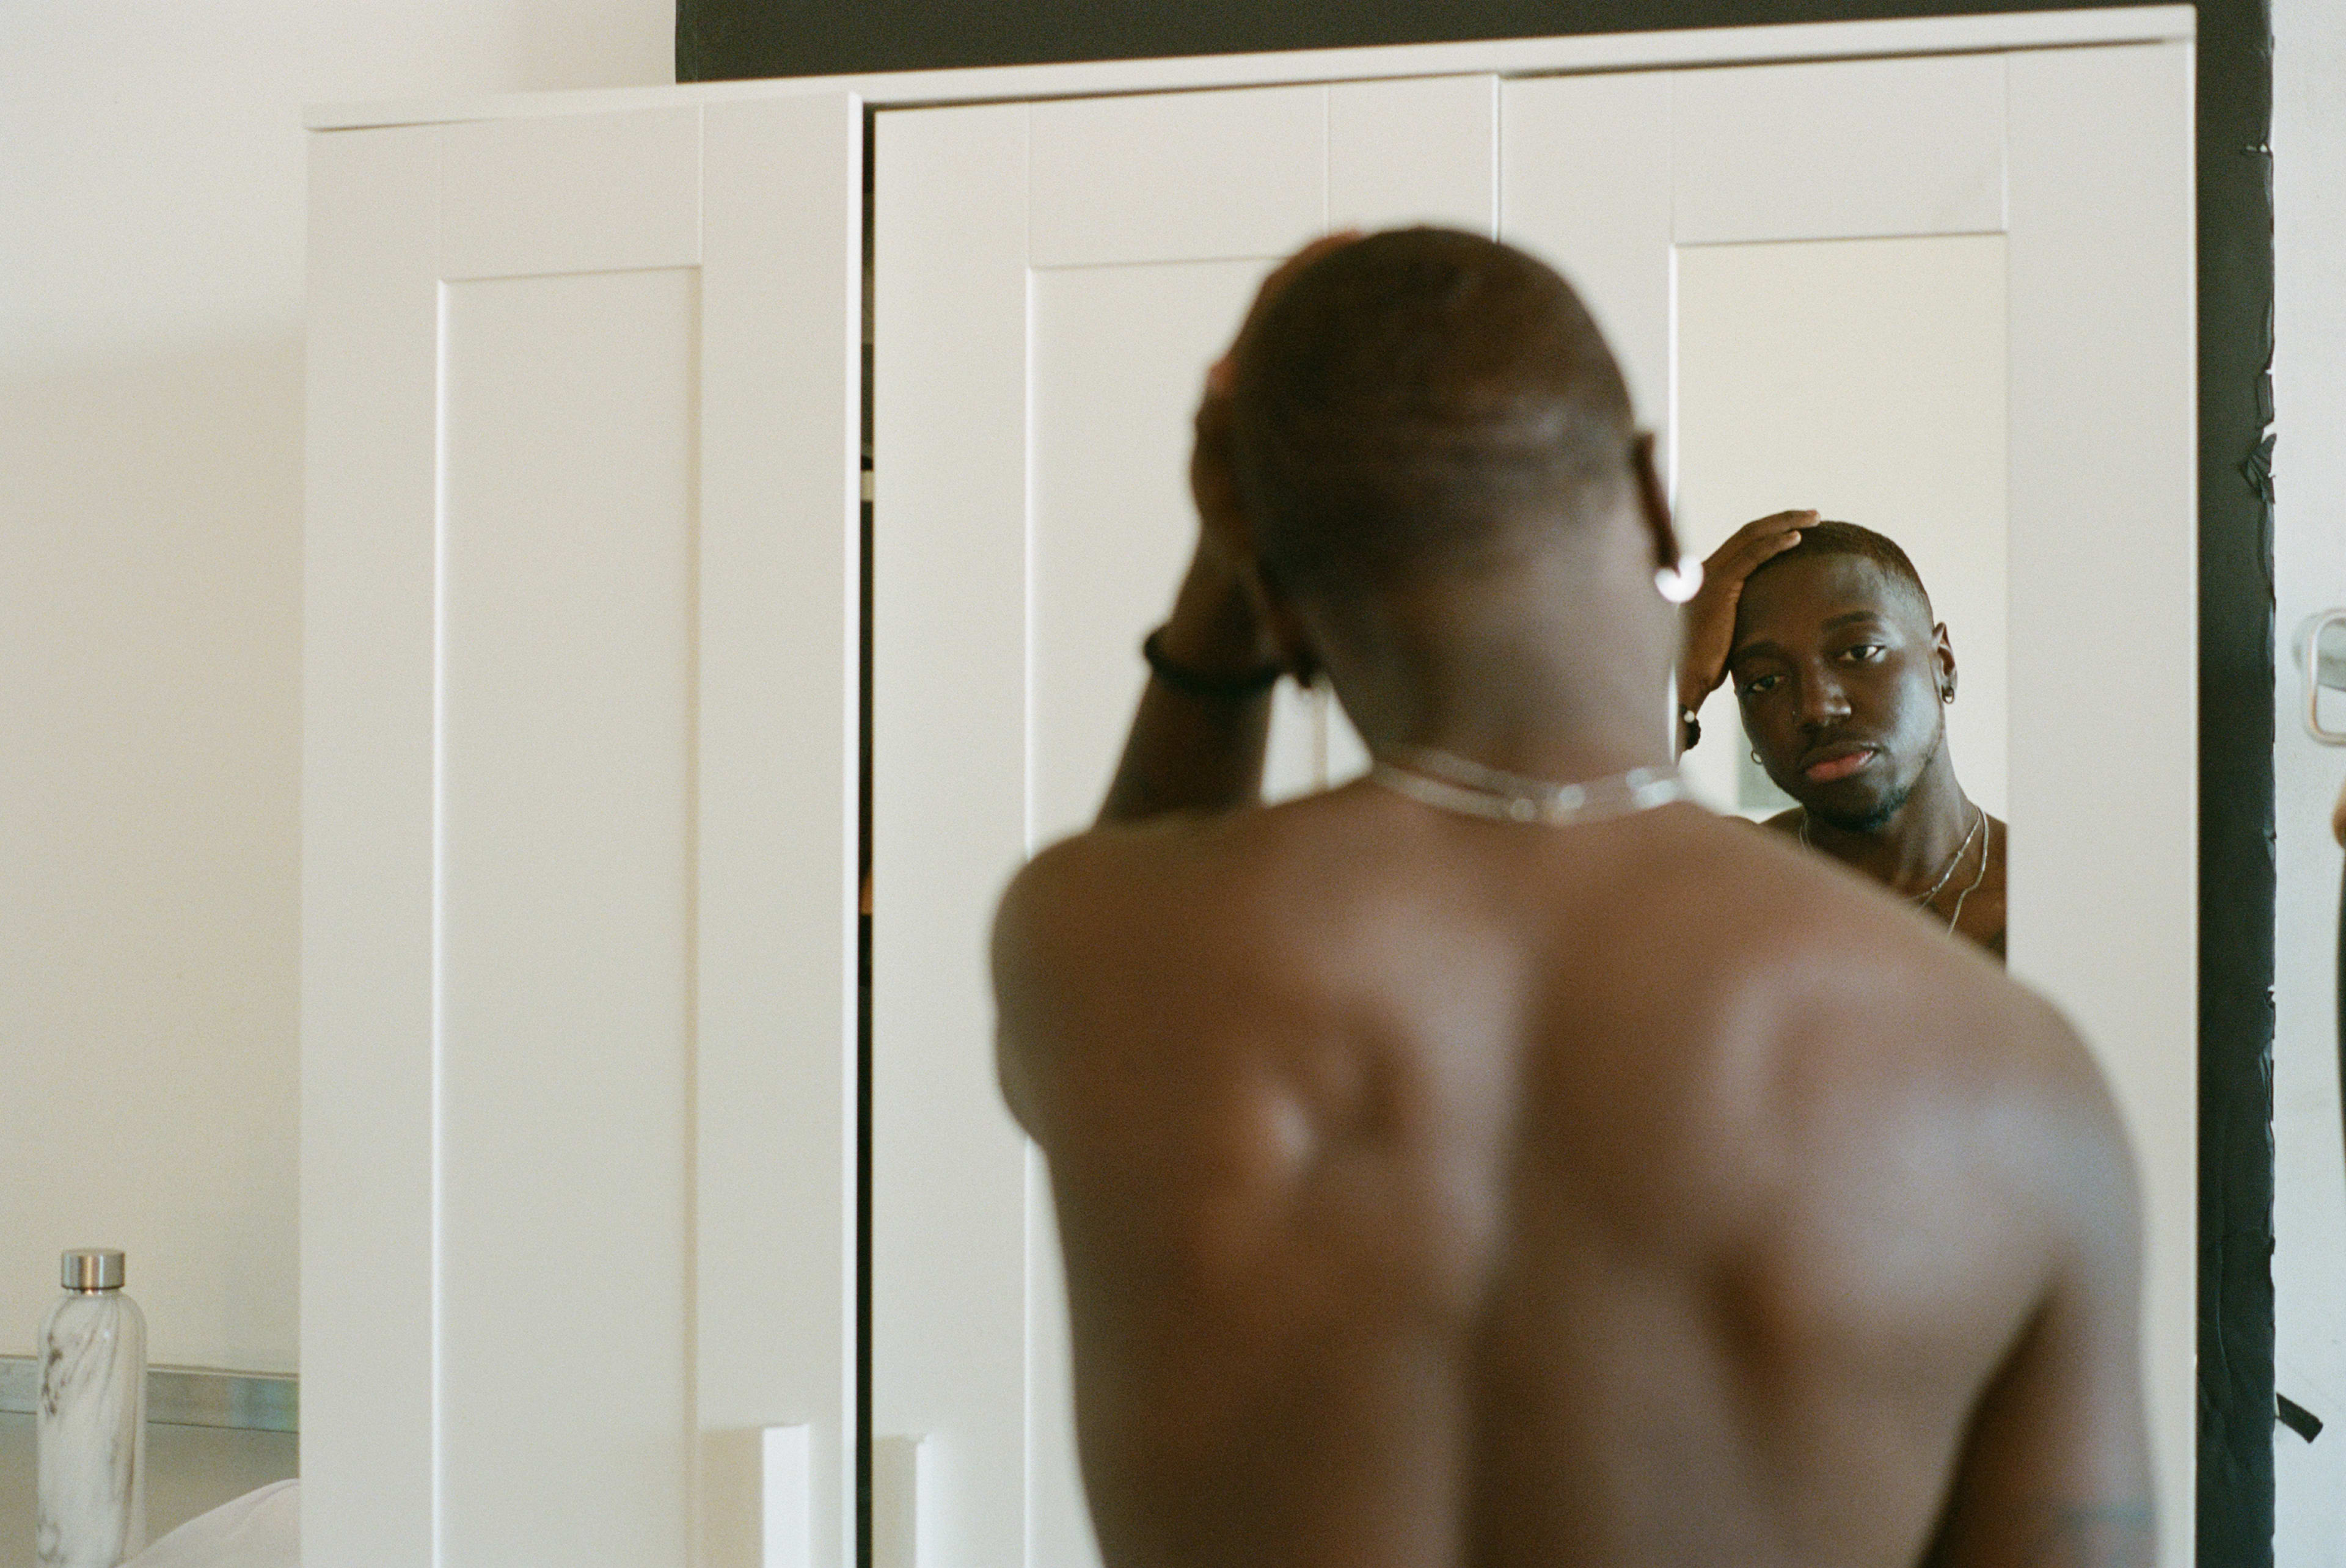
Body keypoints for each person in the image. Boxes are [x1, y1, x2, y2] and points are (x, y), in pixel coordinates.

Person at [990, 228, 2149, 1567]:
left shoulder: (1087, 945)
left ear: (1265, 581)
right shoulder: (2006, 1078)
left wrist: (1225, 592)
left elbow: (1161, 872)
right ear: (1656, 499)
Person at [1678, 516, 2008, 959]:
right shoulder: (1726, 886)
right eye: (1765, 681)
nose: (1816, 709)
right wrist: (1678, 682)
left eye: (1859, 652)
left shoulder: (2057, 901)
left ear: (1943, 664)